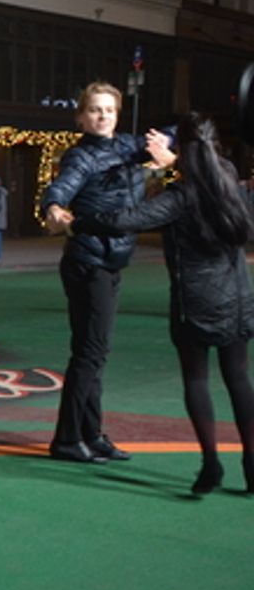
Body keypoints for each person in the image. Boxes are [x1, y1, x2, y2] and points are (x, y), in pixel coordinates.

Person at [66, 113, 254, 494]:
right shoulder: (229, 175)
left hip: (196, 301)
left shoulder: (181, 197)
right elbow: (209, 169)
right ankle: (252, 465)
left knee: (197, 380)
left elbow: (125, 219)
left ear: (179, 147)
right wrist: (178, 162)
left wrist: (77, 221)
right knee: (238, 380)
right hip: (238, 296)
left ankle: (211, 464)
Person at [41, 81, 173, 464]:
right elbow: (60, 189)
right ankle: (67, 439)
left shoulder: (127, 146)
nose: (102, 116)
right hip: (89, 262)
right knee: (89, 353)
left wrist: (166, 145)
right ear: (82, 116)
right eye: (95, 110)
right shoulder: (81, 157)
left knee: (96, 352)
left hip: (112, 261)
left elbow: (173, 135)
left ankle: (91, 434)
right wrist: (53, 208)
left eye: (109, 110)